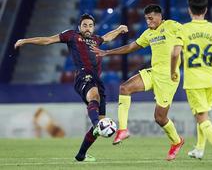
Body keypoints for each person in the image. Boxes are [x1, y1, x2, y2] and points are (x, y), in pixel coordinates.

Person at [14, 13, 128, 162]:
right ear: (79, 26)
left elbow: (108, 37)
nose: (87, 28)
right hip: (83, 76)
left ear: (93, 28)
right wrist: (25, 40)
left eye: (90, 25)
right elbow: (48, 40)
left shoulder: (96, 40)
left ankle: (81, 154)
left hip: (97, 80)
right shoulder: (71, 36)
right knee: (94, 98)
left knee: (100, 122)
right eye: (85, 25)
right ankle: (96, 124)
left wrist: (119, 29)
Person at [92, 4, 184, 161]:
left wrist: (211, 56)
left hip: (169, 78)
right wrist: (107, 52)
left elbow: (190, 38)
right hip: (154, 72)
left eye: (151, 18)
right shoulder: (148, 34)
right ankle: (123, 130)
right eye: (146, 19)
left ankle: (177, 141)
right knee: (124, 88)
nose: (148, 22)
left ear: (160, 16)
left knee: (160, 118)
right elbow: (130, 47)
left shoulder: (172, 25)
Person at [171, 0, 212, 169]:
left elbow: (175, 53)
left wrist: (172, 72)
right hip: (211, 79)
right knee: (203, 114)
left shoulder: (183, 29)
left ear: (189, 10)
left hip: (194, 81)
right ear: (206, 10)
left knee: (202, 118)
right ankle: (199, 149)